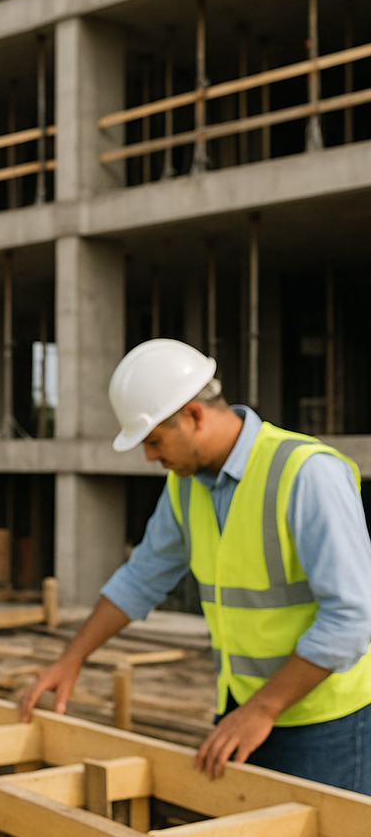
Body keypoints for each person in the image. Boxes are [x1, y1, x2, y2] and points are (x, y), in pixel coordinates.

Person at [20, 338, 371, 793]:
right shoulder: (186, 486)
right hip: (244, 707)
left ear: (194, 415)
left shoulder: (307, 474)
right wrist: (71, 659)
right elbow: (140, 580)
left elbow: (351, 617)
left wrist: (263, 709)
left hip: (325, 723)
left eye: (154, 440)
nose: (150, 457)